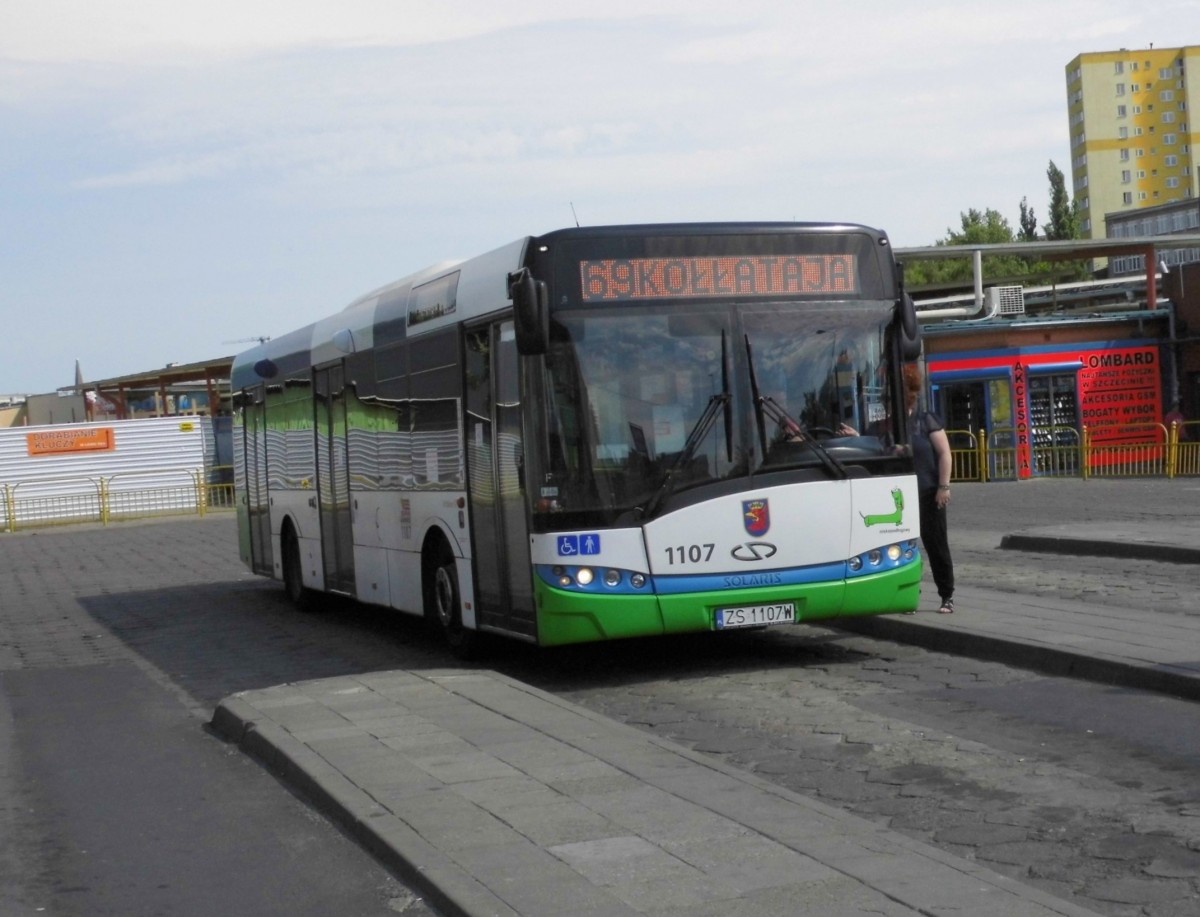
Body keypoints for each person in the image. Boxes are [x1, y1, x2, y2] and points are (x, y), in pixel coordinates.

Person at [902, 363, 956, 614]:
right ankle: (906, 596)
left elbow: (945, 453)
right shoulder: (890, 424)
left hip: (928, 493)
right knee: (904, 549)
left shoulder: (926, 420)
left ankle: (947, 595)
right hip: (901, 497)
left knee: (936, 546)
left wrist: (943, 486)